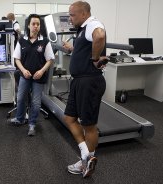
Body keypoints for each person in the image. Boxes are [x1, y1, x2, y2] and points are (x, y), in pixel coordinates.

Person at [62, 1, 107, 177]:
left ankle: (86, 163)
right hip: (79, 81)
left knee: (88, 125)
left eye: (72, 15)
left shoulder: (93, 24)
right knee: (69, 118)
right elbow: (86, 46)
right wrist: (73, 48)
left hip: (89, 82)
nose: (70, 19)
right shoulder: (82, 29)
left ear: (83, 14)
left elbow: (100, 36)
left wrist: (95, 58)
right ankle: (85, 156)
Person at [7, 14, 55, 136]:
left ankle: (32, 124)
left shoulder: (44, 42)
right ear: (28, 25)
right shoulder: (22, 41)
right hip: (25, 75)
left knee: (36, 102)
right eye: (33, 24)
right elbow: (17, 58)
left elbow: (50, 59)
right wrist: (23, 70)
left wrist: (42, 71)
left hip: (38, 77)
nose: (35, 26)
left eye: (38, 24)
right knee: (21, 97)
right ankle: (20, 118)